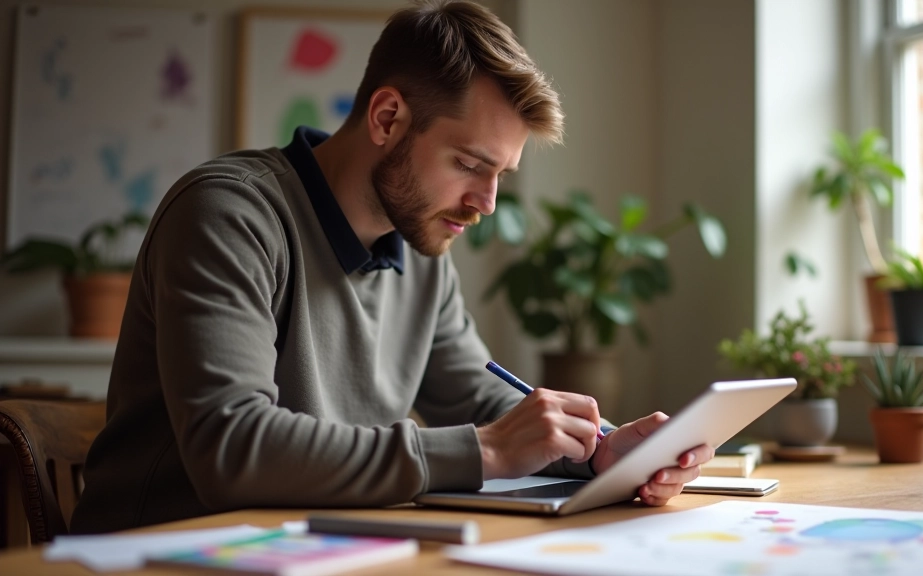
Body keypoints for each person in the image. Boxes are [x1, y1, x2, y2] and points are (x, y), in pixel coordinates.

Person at [70, 0, 712, 534]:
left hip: (316, 548)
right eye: (469, 164)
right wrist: (486, 450)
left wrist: (605, 451)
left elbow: (486, 398)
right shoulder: (229, 213)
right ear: (387, 117)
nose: (486, 203)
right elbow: (233, 449)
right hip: (166, 553)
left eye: (500, 176)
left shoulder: (421, 249)